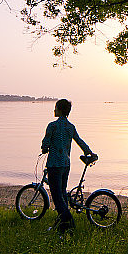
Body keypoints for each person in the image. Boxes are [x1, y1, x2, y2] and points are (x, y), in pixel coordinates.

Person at [41, 98, 94, 232]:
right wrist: (89, 152)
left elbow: (45, 143)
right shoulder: (70, 127)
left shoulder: (52, 126)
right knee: (62, 192)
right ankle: (61, 223)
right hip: (66, 164)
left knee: (57, 195)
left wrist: (44, 148)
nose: (54, 110)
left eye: (56, 108)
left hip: (54, 164)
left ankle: (68, 221)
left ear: (59, 110)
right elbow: (79, 141)